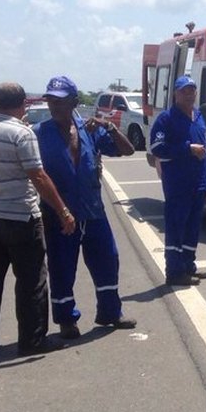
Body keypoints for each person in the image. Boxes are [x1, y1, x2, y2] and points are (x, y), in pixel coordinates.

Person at [0, 82, 76, 356]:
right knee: (32, 280)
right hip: (20, 214)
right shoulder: (22, 133)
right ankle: (33, 339)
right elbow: (38, 176)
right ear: (23, 104)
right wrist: (63, 210)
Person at [34, 76, 137, 339]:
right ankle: (66, 320)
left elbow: (127, 150)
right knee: (62, 267)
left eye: (60, 101)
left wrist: (109, 127)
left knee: (107, 260)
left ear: (75, 102)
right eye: (51, 100)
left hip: (93, 211)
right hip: (60, 215)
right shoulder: (39, 133)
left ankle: (110, 312)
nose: (54, 106)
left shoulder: (89, 129)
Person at [149, 75, 206, 286]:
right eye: (184, 91)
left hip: (200, 183)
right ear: (175, 94)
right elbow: (157, 148)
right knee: (176, 227)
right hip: (178, 184)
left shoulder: (198, 116)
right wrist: (187, 149)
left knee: (192, 228)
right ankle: (174, 272)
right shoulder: (166, 119)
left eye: (191, 91)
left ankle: (188, 266)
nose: (189, 95)